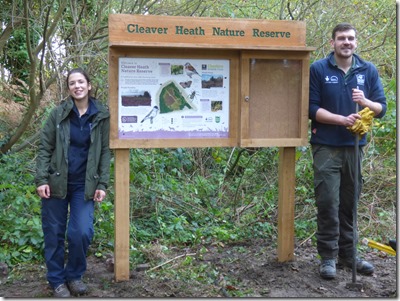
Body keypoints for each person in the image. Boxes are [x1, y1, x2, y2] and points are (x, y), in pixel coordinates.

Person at [308, 23, 387, 279]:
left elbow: (381, 107)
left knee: (350, 203)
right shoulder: (318, 69)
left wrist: (365, 102)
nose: (347, 42)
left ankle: (349, 255)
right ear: (332, 42)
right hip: (326, 147)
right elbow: (311, 109)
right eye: (341, 38)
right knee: (328, 202)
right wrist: (342, 119)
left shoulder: (368, 70)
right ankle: (328, 258)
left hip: (355, 147)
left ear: (356, 42)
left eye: (351, 38)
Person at [35, 68, 111, 296]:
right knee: (54, 233)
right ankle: (57, 281)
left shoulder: (102, 115)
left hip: (84, 185)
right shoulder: (58, 114)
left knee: (81, 232)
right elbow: (44, 147)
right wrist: (41, 179)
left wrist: (102, 184)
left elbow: (105, 152)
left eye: (80, 82)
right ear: (68, 88)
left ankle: (75, 276)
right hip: (56, 183)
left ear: (89, 85)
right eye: (71, 83)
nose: (76, 86)